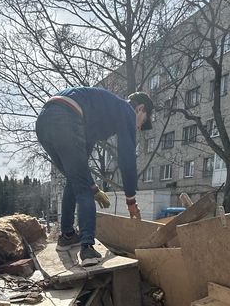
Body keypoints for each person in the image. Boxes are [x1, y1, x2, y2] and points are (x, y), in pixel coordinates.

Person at [35, 87, 153, 265]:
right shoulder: (126, 110)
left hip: (44, 122)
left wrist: (94, 187)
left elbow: (81, 166)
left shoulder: (100, 113)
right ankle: (87, 249)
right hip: (66, 117)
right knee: (83, 189)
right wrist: (130, 199)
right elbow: (127, 157)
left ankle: (67, 236)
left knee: (75, 180)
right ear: (140, 109)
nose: (138, 127)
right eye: (142, 122)